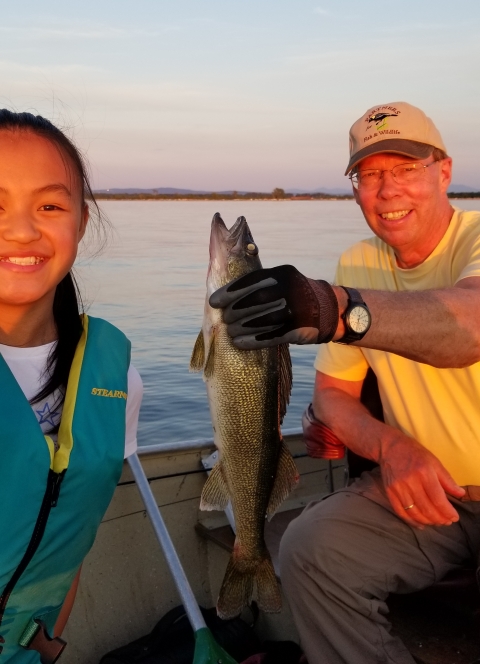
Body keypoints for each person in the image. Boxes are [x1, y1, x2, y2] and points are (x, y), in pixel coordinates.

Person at [210, 101, 480, 663]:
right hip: (432, 492)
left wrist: (338, 309)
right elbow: (332, 397)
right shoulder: (357, 261)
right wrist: (393, 448)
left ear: (444, 171)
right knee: (309, 551)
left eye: (406, 168)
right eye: (370, 174)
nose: (387, 190)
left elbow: (469, 326)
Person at [0, 110, 143, 662]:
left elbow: (68, 539)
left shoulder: (114, 376)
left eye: (50, 206)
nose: (21, 229)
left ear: (82, 223)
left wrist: (46, 647)